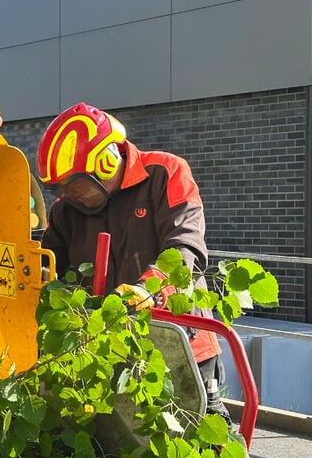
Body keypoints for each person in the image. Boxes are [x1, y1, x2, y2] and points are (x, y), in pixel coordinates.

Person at [35, 101, 229, 421]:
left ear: (107, 162)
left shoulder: (165, 173)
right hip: (106, 346)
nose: (70, 196)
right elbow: (48, 268)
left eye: (77, 185)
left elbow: (186, 249)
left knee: (199, 436)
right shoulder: (65, 211)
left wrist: (147, 289)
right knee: (114, 443)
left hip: (179, 342)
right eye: (61, 188)